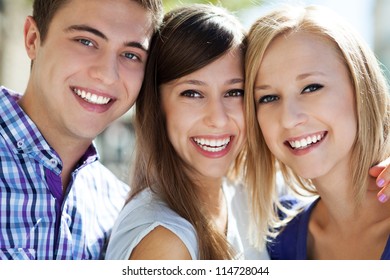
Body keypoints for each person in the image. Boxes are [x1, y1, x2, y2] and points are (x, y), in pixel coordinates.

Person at [0, 0, 163, 260]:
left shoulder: (119, 210)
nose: (107, 75)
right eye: (86, 41)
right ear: (32, 40)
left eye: (131, 55)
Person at [105, 4, 269, 260]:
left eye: (234, 92)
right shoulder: (165, 243)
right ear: (158, 105)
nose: (218, 118)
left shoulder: (239, 197)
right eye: (192, 93)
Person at [244, 5, 390, 259]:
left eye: (311, 87)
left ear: (361, 86)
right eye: (268, 97)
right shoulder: (276, 241)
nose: (289, 119)